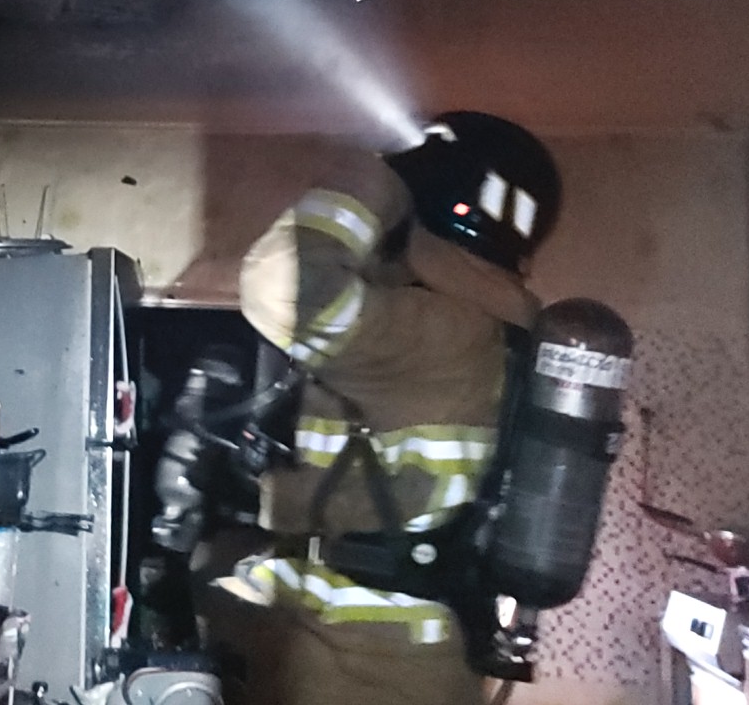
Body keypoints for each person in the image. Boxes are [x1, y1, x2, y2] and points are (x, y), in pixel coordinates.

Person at [201, 111, 562, 705]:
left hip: (364, 669)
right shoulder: (488, 327)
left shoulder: (444, 329)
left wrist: (370, 181)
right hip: (393, 657)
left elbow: (282, 283)